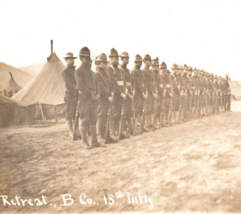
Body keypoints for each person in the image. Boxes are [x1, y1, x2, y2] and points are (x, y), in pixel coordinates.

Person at [75, 47, 100, 149]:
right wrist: (91, 95)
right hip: (84, 99)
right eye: (84, 57)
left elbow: (95, 84)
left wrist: (97, 94)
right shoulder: (78, 70)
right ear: (81, 58)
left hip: (93, 98)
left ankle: (94, 141)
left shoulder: (90, 71)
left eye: (88, 57)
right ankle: (84, 142)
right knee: (84, 119)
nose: (86, 59)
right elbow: (80, 86)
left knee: (94, 118)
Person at [106, 48, 126, 142]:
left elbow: (122, 81)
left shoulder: (119, 68)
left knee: (119, 114)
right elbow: (113, 82)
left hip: (121, 95)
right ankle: (112, 133)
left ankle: (119, 132)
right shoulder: (109, 68)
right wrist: (120, 93)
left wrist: (125, 90)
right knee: (114, 114)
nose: (116, 59)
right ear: (110, 58)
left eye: (117, 58)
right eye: (114, 58)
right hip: (116, 95)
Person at [94, 53, 113, 144]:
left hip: (108, 98)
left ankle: (107, 135)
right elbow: (101, 88)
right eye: (103, 62)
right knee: (101, 117)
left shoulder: (104, 73)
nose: (105, 64)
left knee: (107, 117)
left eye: (106, 62)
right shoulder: (97, 73)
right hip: (102, 99)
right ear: (98, 63)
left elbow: (109, 84)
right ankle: (102, 136)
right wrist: (108, 96)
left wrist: (111, 93)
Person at [61, 52, 80, 140]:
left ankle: (77, 131)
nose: (72, 61)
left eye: (72, 59)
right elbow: (69, 85)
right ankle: (71, 132)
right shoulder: (65, 72)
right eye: (69, 59)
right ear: (66, 60)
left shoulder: (75, 71)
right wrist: (77, 88)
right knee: (70, 113)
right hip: (70, 95)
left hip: (77, 94)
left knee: (77, 113)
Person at [131, 54, 147, 135]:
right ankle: (135, 129)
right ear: (135, 62)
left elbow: (143, 82)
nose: (140, 64)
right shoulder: (134, 71)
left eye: (140, 62)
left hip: (141, 95)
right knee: (136, 111)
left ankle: (140, 127)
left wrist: (144, 92)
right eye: (138, 62)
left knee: (140, 111)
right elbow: (137, 84)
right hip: (137, 95)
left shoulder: (140, 71)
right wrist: (142, 93)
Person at [118, 52, 134, 138]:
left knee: (128, 112)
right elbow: (122, 83)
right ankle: (123, 130)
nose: (127, 60)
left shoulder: (128, 70)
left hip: (128, 93)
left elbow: (130, 82)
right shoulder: (120, 69)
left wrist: (131, 92)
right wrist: (125, 92)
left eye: (128, 58)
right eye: (125, 58)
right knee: (123, 113)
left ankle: (130, 129)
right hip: (123, 94)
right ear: (121, 59)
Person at [142, 54, 156, 131]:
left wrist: (154, 91)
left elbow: (152, 82)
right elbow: (146, 83)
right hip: (148, 92)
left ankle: (150, 125)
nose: (150, 62)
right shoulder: (144, 71)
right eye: (149, 61)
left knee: (151, 108)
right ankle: (146, 125)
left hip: (152, 92)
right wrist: (151, 92)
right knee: (147, 108)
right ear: (145, 62)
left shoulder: (150, 71)